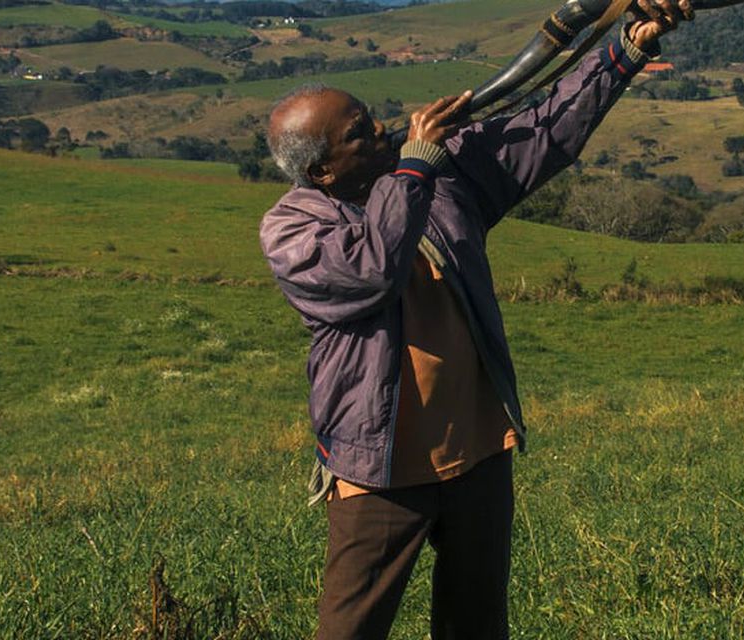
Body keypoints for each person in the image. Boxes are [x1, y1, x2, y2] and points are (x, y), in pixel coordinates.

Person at [258, 2, 691, 637]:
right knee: (349, 630)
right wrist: (415, 166)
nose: (380, 129)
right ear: (320, 170)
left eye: (369, 116)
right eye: (357, 133)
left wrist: (624, 50)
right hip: (379, 470)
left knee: (477, 623)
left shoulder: (440, 171)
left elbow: (543, 131)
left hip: (479, 452)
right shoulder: (292, 230)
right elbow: (375, 268)